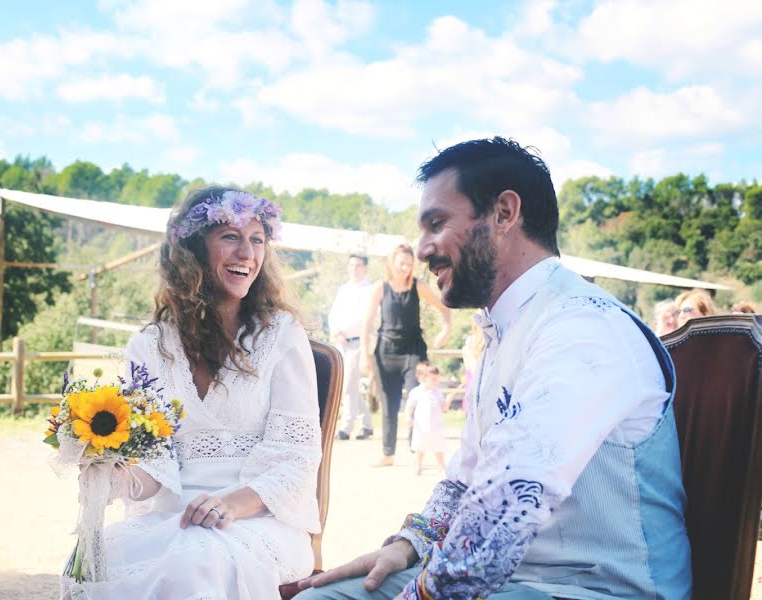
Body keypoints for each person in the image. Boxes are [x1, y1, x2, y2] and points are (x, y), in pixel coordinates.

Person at [296, 137, 690, 599]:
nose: (421, 251)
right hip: (513, 583)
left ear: (505, 213)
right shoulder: (505, 329)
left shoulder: (583, 327)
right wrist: (406, 546)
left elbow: (502, 513)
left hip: (597, 590)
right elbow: (465, 478)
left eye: (436, 224)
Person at [61, 187, 322, 600]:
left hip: (259, 519)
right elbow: (155, 461)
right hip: (174, 517)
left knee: (194, 564)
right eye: (230, 237)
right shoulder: (149, 346)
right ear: (193, 249)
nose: (247, 254)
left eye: (257, 240)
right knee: (94, 558)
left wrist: (232, 505)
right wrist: (116, 480)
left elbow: (298, 460)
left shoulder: (281, 336)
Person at [360, 243, 452, 467]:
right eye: (402, 263)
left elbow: (444, 307)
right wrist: (365, 355)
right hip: (386, 352)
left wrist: (446, 329)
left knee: (419, 399)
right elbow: (367, 324)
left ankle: (416, 449)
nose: (405, 268)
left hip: (414, 351)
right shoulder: (380, 288)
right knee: (389, 404)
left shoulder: (418, 286)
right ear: (392, 263)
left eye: (409, 264)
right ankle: (388, 453)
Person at [329, 254, 374, 440]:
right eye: (352, 265)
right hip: (341, 343)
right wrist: (337, 331)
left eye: (358, 265)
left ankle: (345, 428)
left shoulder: (370, 290)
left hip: (358, 343)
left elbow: (367, 318)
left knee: (348, 386)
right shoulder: (344, 289)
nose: (354, 268)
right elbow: (333, 314)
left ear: (365, 268)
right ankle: (367, 425)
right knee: (350, 386)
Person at [406, 362, 447, 476]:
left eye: (437, 379)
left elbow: (444, 408)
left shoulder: (438, 392)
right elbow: (409, 406)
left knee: (438, 447)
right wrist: (408, 417)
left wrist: (447, 401)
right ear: (424, 379)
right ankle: (418, 466)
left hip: (436, 426)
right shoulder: (417, 392)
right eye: (433, 379)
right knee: (420, 447)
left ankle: (441, 466)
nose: (436, 382)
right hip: (421, 426)